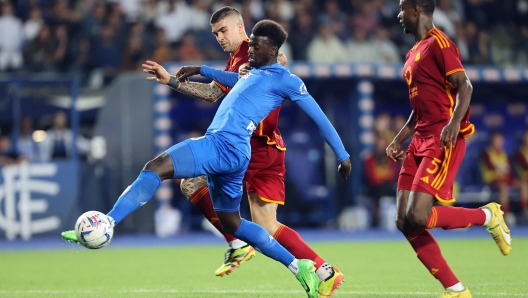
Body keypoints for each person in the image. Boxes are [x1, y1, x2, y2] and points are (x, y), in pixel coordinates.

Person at [64, 19, 351, 298]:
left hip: (223, 145)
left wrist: (342, 155)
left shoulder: (287, 81)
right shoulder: (252, 70)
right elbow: (229, 82)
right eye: (250, 45)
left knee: (156, 167)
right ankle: (298, 267)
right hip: (239, 154)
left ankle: (108, 222)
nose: (249, 50)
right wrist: (199, 70)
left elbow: (320, 119)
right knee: (233, 223)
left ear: (273, 50)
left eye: (257, 46)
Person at [151, 7, 344, 297]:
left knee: (193, 184)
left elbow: (280, 60)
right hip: (252, 147)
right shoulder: (236, 59)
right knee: (266, 223)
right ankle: (322, 269)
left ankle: (236, 243)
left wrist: (269, 61)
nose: (218, 37)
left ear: (241, 27)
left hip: (254, 147)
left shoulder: (252, 52)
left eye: (223, 30)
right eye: (215, 33)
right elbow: (212, 93)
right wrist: (171, 81)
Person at [386, 1, 511, 297]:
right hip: (419, 140)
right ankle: (455, 289)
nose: (399, 14)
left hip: (442, 139)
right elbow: (418, 110)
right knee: (403, 221)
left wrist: (454, 124)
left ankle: (487, 216)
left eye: (402, 8)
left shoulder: (440, 43)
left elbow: (465, 86)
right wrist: (399, 138)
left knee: (418, 215)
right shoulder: (411, 54)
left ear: (417, 9)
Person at [479, 131, 513, 214]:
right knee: (503, 187)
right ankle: (506, 212)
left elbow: (509, 168)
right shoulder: (486, 153)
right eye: (497, 139)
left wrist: (502, 168)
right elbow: (491, 167)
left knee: (523, 184)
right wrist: (502, 168)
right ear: (492, 140)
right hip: (492, 180)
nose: (499, 141)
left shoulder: (505, 154)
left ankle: (525, 209)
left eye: (500, 139)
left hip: (504, 178)